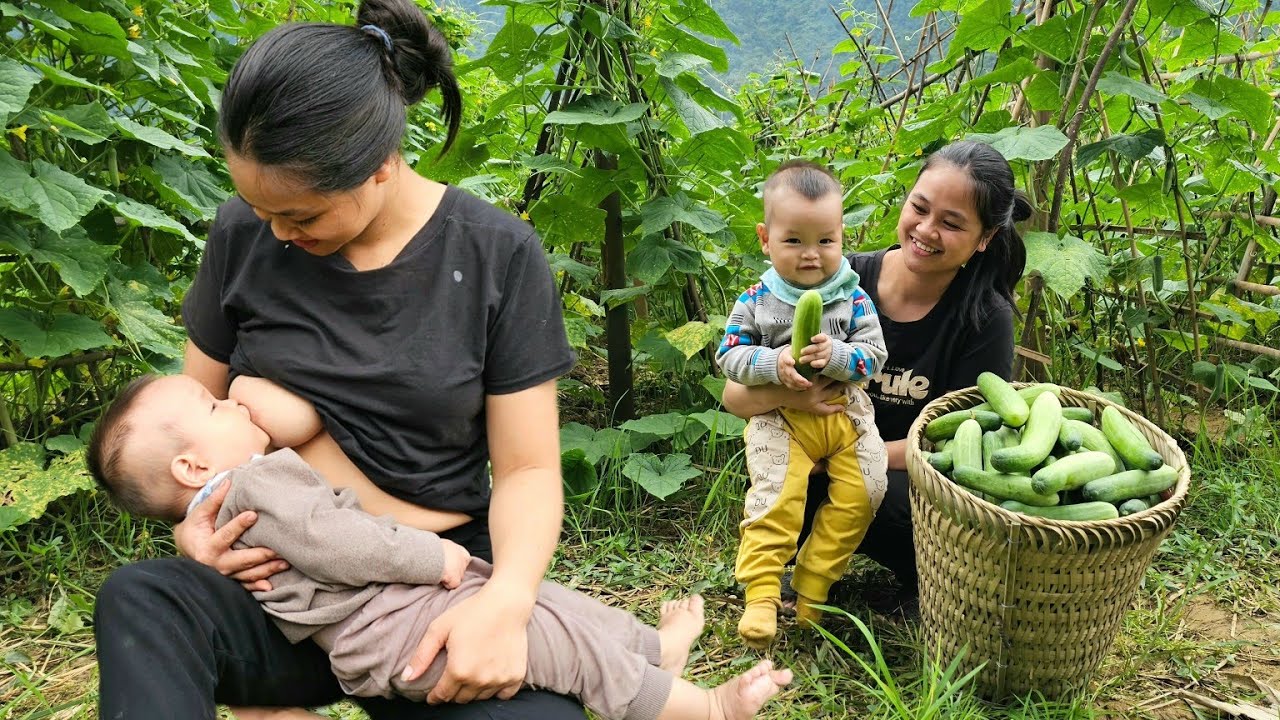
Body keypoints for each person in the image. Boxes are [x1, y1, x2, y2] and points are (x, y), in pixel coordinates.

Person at [91, 1, 587, 718]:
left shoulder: (495, 254)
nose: (276, 234)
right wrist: (192, 531)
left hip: (425, 587)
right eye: (258, 210)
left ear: (380, 165)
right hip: (280, 587)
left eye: (301, 216)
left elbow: (529, 470)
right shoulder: (246, 231)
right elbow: (184, 417)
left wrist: (506, 602)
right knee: (143, 601)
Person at [86, 373, 795, 720]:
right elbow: (336, 544)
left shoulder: (238, 482)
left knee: (539, 603)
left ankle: (649, 646)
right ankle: (703, 710)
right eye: (216, 410)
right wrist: (432, 557)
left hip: (390, 607)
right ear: (191, 469)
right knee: (550, 642)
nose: (232, 402)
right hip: (391, 621)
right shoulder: (257, 483)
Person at [722, 141, 1029, 616]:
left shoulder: (984, 318)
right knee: (784, 470)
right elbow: (735, 397)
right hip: (813, 449)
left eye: (951, 223)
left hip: (903, 475)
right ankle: (785, 575)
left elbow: (962, 436)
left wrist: (851, 454)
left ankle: (928, 577)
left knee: (886, 496)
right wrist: (790, 396)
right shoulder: (839, 279)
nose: (926, 231)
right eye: (919, 208)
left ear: (984, 238)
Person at [714, 161, 889, 648]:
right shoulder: (754, 300)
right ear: (765, 239)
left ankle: (814, 584)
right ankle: (763, 595)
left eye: (825, 241)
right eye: (794, 241)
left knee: (866, 494)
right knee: (774, 500)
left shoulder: (854, 300)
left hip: (845, 417)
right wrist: (773, 364)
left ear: (841, 237)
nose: (811, 255)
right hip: (781, 421)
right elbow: (729, 356)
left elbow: (874, 357)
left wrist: (838, 355)